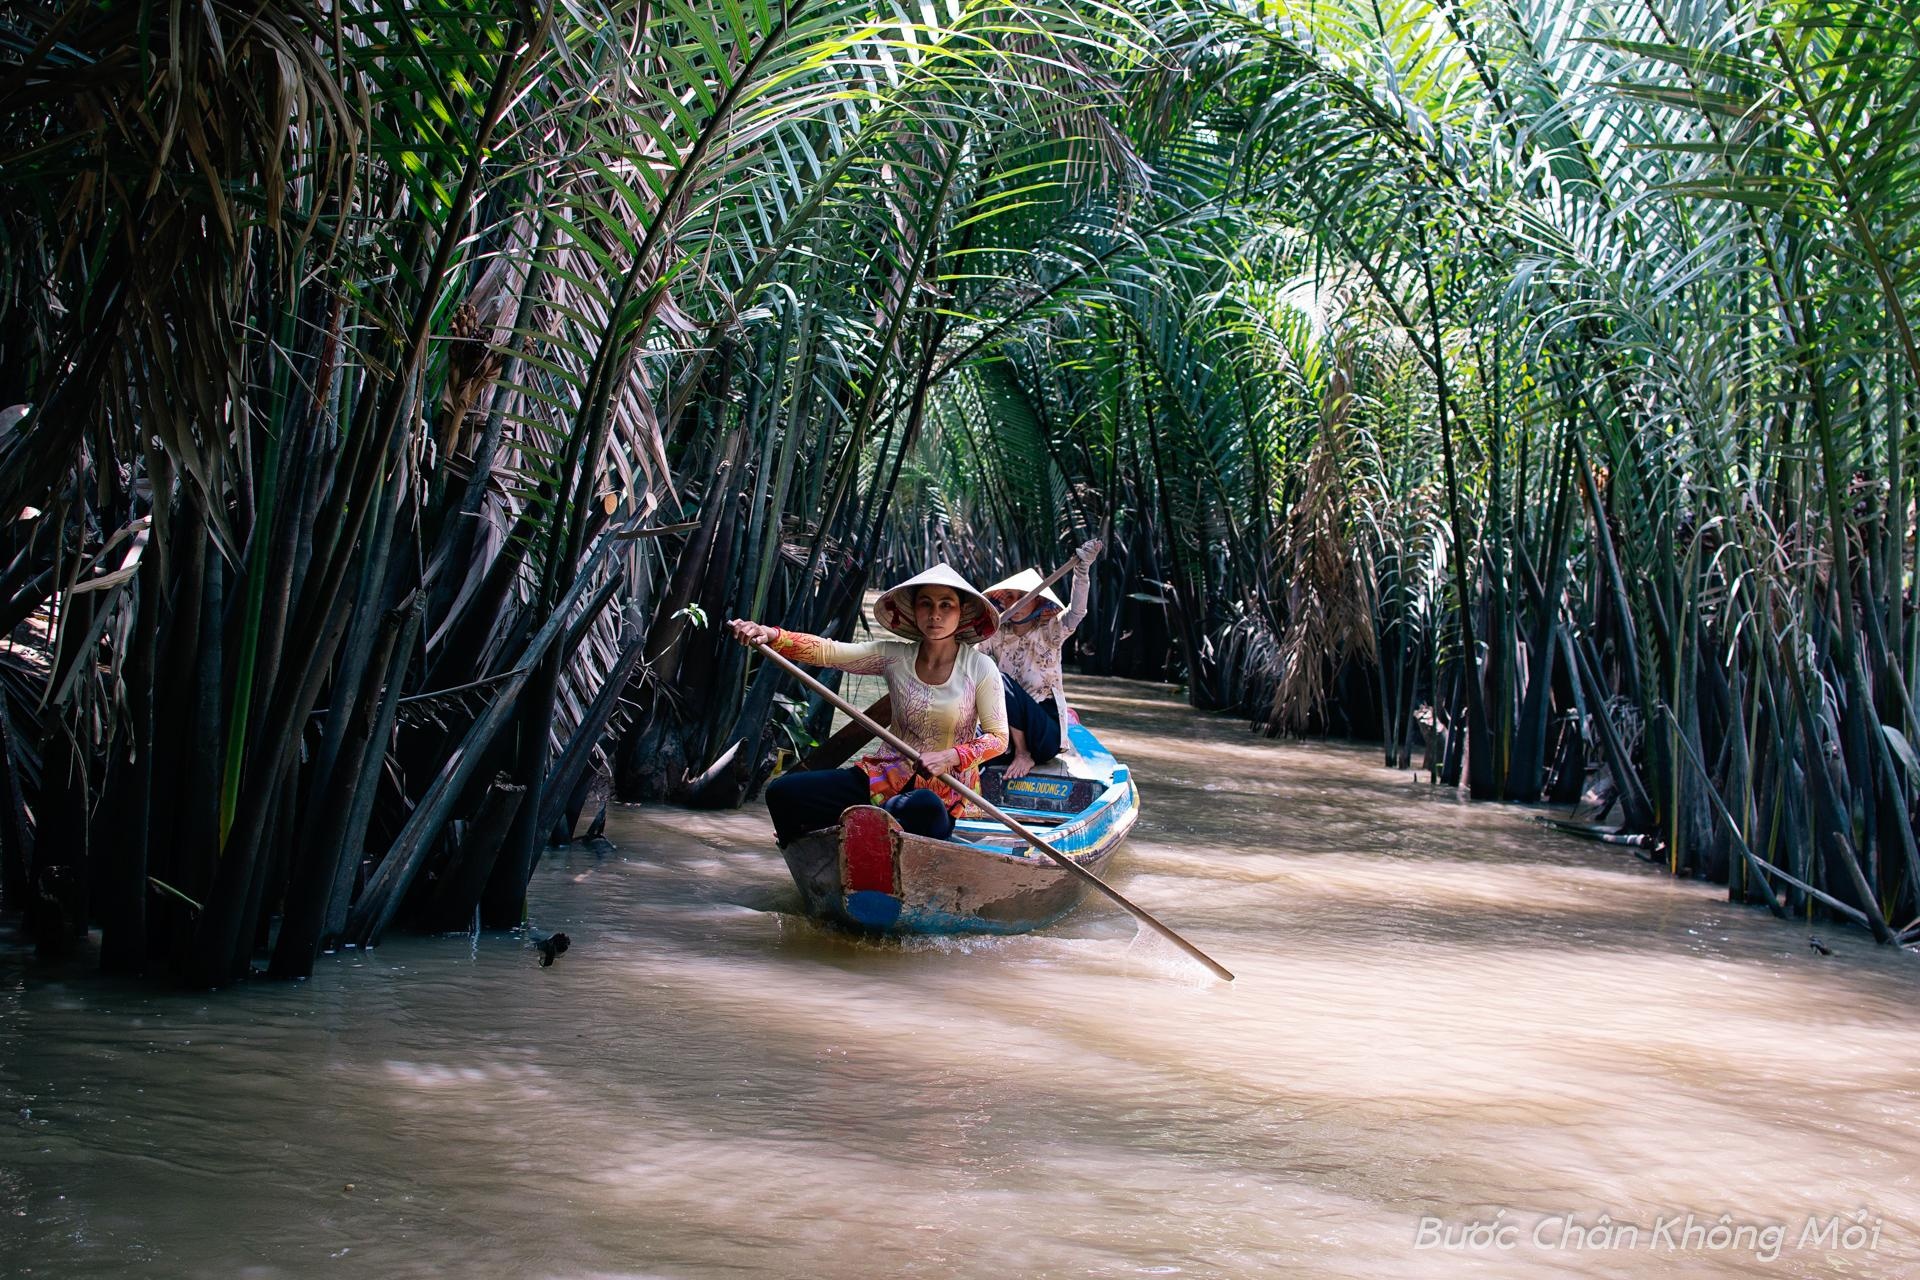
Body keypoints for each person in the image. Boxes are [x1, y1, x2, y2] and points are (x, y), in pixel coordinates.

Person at [729, 564, 1007, 845]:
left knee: (922, 805)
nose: (935, 613)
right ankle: (827, 848)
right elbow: (830, 652)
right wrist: (773, 635)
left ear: (962, 614)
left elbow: (998, 739)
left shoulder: (980, 667)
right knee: (782, 792)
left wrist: (949, 757)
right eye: (926, 604)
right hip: (885, 778)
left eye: (946, 605)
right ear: (915, 611)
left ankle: (869, 824)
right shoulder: (894, 657)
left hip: (942, 795)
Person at [978, 538, 1103, 778]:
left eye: (1021, 597)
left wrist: (1082, 571)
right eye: (1010, 597)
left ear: (1037, 601)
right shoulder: (996, 634)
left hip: (1044, 732)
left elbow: (1077, 612)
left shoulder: (1051, 630)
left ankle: (1024, 753)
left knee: (998, 679)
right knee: (981, 673)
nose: (1014, 603)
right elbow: (968, 662)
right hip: (1005, 730)